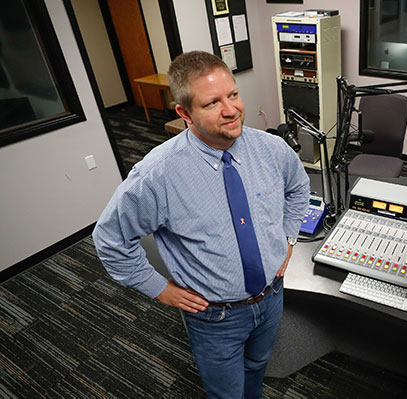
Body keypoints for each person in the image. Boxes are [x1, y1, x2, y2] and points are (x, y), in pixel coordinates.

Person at [93, 51, 310, 398]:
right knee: (225, 392)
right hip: (215, 317)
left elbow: (298, 188)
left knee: (257, 368)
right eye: (212, 103)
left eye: (233, 95)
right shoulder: (156, 176)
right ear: (184, 114)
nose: (231, 110)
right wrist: (158, 287)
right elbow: (110, 239)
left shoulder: (272, 149)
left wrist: (288, 238)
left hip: (271, 297)